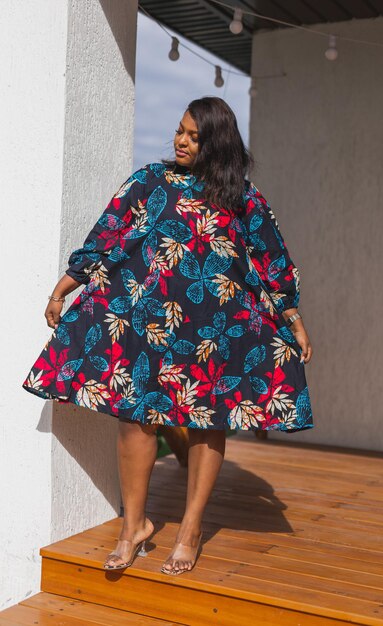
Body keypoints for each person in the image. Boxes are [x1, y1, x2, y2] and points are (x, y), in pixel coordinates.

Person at [22, 96, 314, 575]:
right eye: (179, 131)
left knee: (206, 422)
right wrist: (63, 289)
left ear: (216, 143)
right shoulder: (149, 182)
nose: (180, 141)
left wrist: (294, 319)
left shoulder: (242, 197)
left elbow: (271, 259)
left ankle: (190, 529)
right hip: (149, 328)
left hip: (212, 334)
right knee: (135, 420)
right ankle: (133, 526)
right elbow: (108, 237)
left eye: (194, 136)